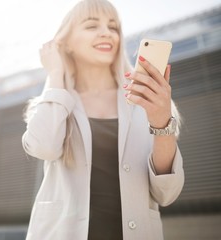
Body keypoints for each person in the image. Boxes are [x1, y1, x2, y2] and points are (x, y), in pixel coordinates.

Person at [22, 0, 185, 239]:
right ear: (65, 43)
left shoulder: (144, 100)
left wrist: (162, 123)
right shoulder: (54, 101)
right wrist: (56, 74)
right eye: (91, 26)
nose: (106, 33)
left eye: (113, 27)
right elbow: (44, 147)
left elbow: (166, 193)